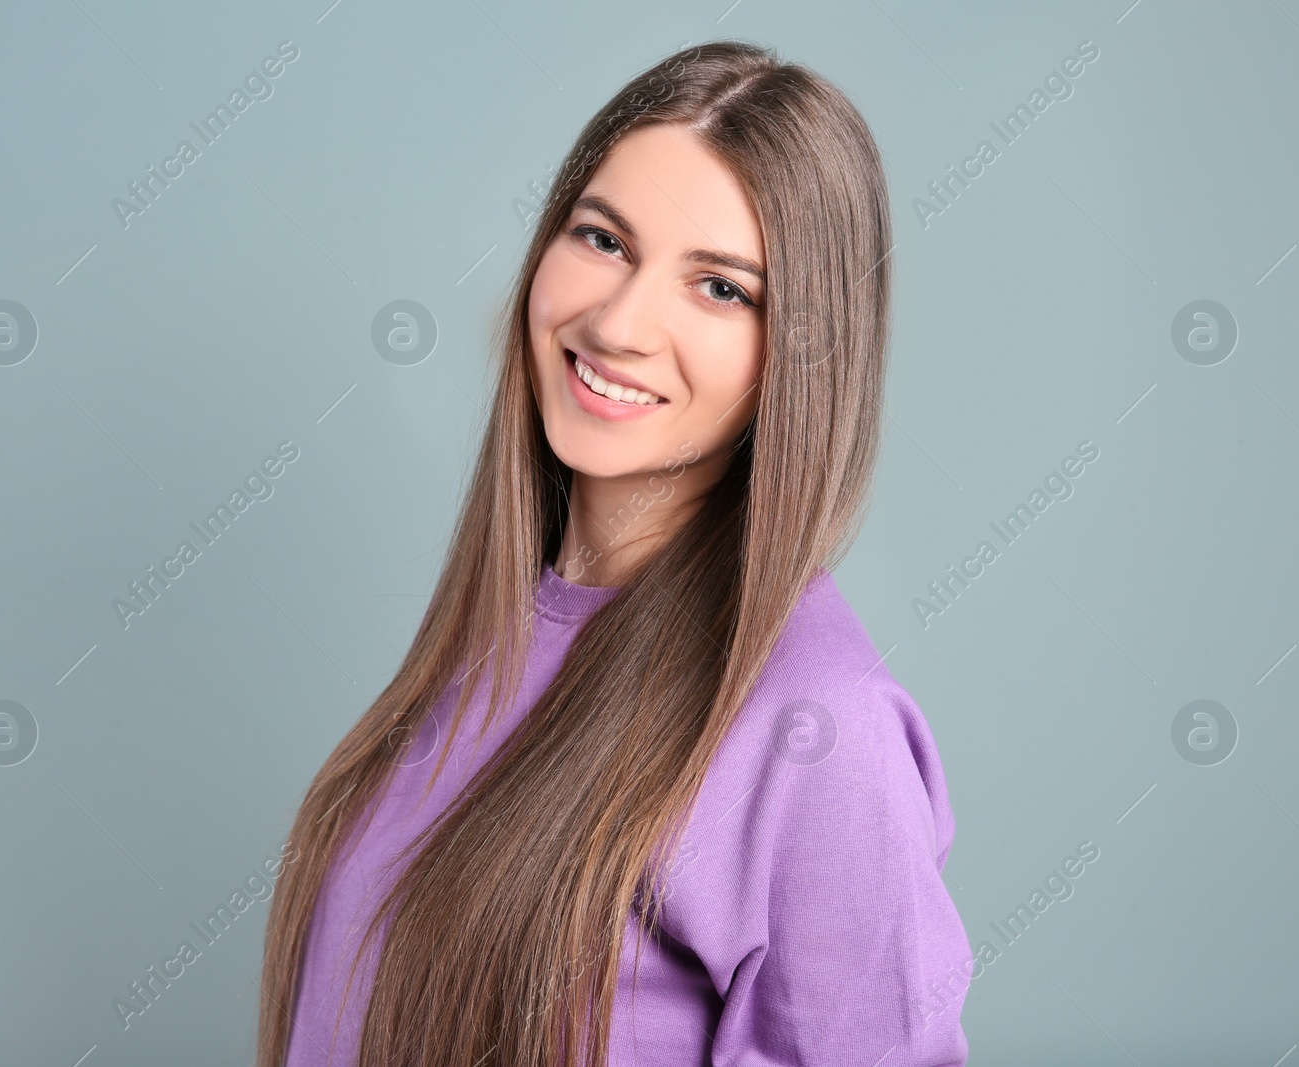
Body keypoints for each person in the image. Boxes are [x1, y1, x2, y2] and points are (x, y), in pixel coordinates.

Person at [257, 38, 972, 1067]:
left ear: (803, 354)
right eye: (603, 239)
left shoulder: (819, 727)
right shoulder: (498, 630)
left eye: (721, 288)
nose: (620, 321)